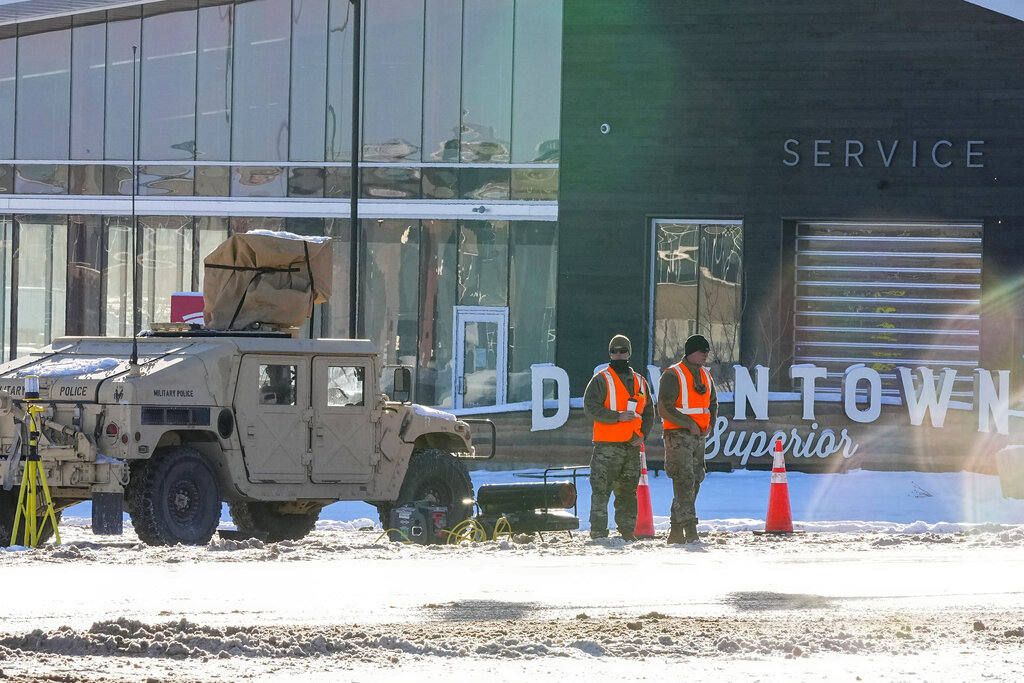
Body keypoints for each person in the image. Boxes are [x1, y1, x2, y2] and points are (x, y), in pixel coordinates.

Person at [583, 334, 655, 541]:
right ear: (610, 354)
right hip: (607, 446)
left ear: (629, 353)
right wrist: (617, 417)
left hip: (631, 447)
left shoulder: (641, 382)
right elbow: (590, 408)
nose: (618, 354)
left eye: (622, 350)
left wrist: (643, 436)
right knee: (601, 491)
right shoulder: (601, 380)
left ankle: (627, 532)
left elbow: (649, 412)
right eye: (614, 351)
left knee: (627, 493)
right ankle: (598, 532)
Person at [659, 334, 718, 544]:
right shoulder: (673, 374)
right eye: (702, 351)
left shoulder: (706, 375)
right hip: (678, 435)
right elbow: (664, 408)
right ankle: (690, 531)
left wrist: (710, 424)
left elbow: (712, 403)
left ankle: (676, 531)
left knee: (694, 480)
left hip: (698, 436)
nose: (706, 355)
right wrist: (688, 424)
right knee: (683, 481)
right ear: (691, 352)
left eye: (707, 352)